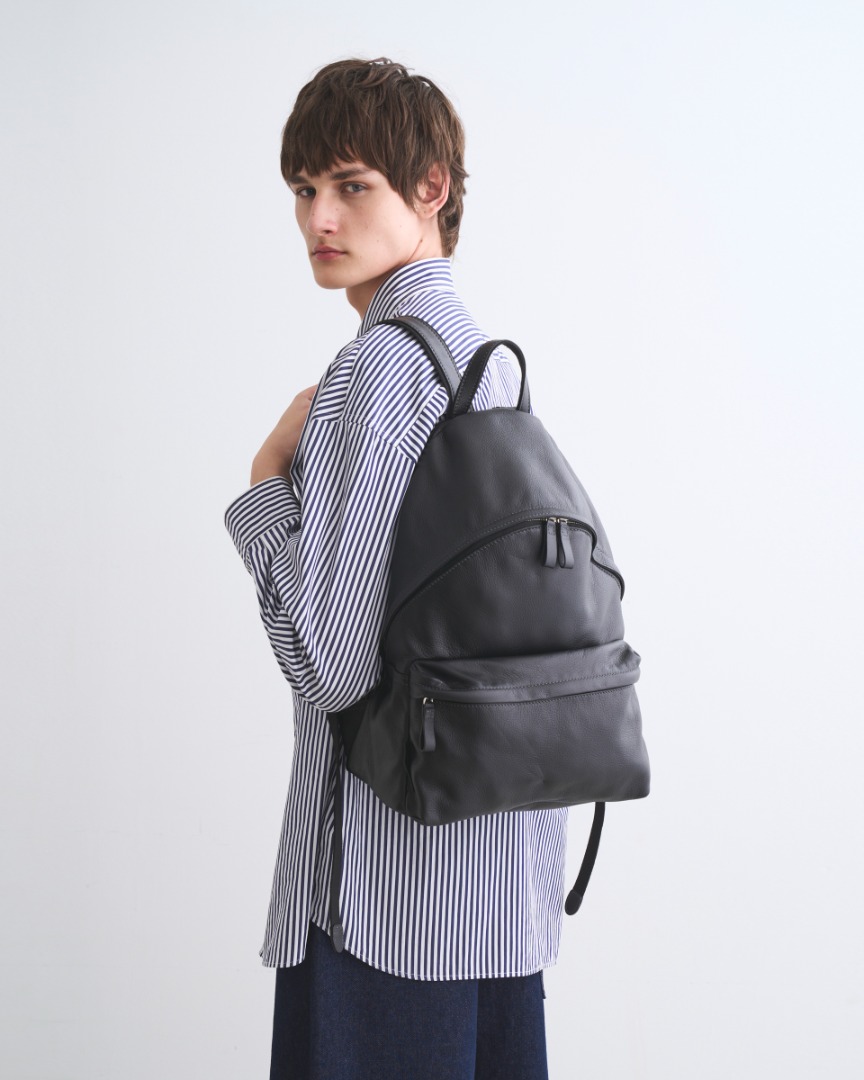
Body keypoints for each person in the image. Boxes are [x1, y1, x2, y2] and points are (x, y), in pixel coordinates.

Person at [223, 58, 568, 1079]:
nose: (319, 218)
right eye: (304, 190)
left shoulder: (375, 369)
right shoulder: (490, 362)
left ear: (432, 188)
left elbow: (330, 669)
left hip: (389, 901)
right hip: (502, 884)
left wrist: (264, 489)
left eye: (351, 185)